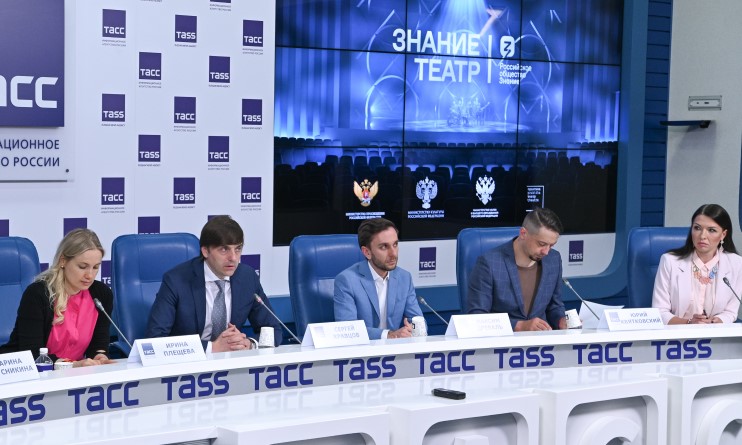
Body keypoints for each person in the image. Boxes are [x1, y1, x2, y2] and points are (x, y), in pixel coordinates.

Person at [146, 215, 282, 351]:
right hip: (189, 361)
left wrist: (249, 344)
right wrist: (212, 348)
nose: (233, 258)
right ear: (205, 251)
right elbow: (155, 339)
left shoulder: (247, 277)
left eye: (238, 249)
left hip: (232, 360)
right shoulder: (176, 281)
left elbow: (273, 331)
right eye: (224, 249)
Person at [0, 229, 114, 367]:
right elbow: (33, 354)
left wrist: (100, 356)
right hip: (22, 371)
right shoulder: (38, 294)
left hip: (74, 373)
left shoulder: (101, 294)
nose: (90, 275)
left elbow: (99, 343)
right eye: (82, 266)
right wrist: (73, 365)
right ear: (63, 261)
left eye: (95, 267)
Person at [466, 207, 567, 331]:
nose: (546, 252)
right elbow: (477, 317)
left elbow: (554, 306)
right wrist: (520, 326)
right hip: (503, 340)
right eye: (541, 244)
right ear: (523, 233)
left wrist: (561, 320)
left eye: (551, 245)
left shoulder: (553, 259)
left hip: (542, 339)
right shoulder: (489, 263)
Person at [334, 218, 423, 339]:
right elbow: (347, 329)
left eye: (395, 244)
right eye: (384, 247)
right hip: (363, 349)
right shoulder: (346, 280)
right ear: (367, 252)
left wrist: (413, 329)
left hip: (396, 349)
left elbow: (418, 320)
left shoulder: (404, 278)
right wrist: (389, 335)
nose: (393, 254)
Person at [652, 204, 742, 324]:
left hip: (716, 333)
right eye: (697, 228)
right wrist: (689, 323)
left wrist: (717, 321)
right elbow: (660, 312)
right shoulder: (669, 261)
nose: (702, 236)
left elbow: (730, 312)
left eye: (711, 230)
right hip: (677, 332)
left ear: (723, 235)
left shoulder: (736, 264)